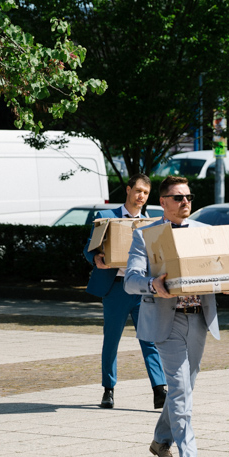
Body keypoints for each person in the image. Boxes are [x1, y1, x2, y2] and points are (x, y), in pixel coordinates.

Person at [124, 176, 221, 457]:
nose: (185, 203)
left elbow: (222, 269)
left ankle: (160, 442)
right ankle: (189, 456)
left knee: (185, 387)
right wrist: (152, 284)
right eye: (178, 198)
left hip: (198, 316)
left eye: (189, 197)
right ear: (163, 202)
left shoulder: (206, 233)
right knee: (179, 387)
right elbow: (130, 280)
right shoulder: (145, 236)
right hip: (166, 320)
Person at [83, 174, 167, 410]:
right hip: (116, 288)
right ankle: (108, 390)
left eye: (146, 193)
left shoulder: (150, 223)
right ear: (128, 190)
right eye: (138, 191)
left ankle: (159, 390)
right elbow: (88, 248)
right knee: (111, 340)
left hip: (142, 289)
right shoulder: (106, 217)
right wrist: (97, 258)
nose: (141, 196)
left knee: (150, 339)